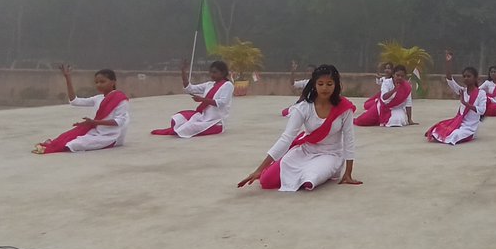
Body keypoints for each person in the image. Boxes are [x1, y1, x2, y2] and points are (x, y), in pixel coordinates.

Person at [238, 64, 362, 192]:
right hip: (306, 150)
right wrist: (259, 170)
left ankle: (326, 171)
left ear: (336, 85)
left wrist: (348, 172)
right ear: (314, 84)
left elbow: (349, 140)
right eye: (320, 84)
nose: (325, 88)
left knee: (309, 180)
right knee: (267, 181)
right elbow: (286, 138)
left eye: (329, 84)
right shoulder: (304, 107)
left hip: (330, 154)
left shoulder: (344, 108)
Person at [33, 65, 129, 154]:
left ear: (113, 82)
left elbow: (120, 121)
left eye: (102, 82)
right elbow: (75, 101)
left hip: (111, 136)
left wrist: (94, 122)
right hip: (96, 132)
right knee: (70, 138)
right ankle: (52, 145)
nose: (99, 85)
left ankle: (52, 148)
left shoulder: (120, 98)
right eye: (96, 82)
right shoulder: (97, 98)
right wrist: (68, 79)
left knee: (74, 144)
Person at [151, 60, 233, 137]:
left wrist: (202, 99)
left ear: (223, 73)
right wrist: (183, 72)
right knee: (177, 118)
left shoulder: (228, 85)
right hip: (202, 117)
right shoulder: (209, 84)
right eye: (211, 72)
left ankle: (178, 130)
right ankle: (178, 129)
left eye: (215, 72)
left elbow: (222, 103)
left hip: (215, 122)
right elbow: (190, 88)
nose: (212, 75)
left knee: (188, 128)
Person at [425, 50, 486, 145]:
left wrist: (465, 103)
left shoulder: (481, 93)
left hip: (470, 126)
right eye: (464, 76)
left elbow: (482, 111)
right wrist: (448, 63)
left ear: (475, 78)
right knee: (437, 129)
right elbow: (449, 79)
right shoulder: (462, 91)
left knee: (455, 135)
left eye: (469, 76)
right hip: (459, 122)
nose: (466, 78)